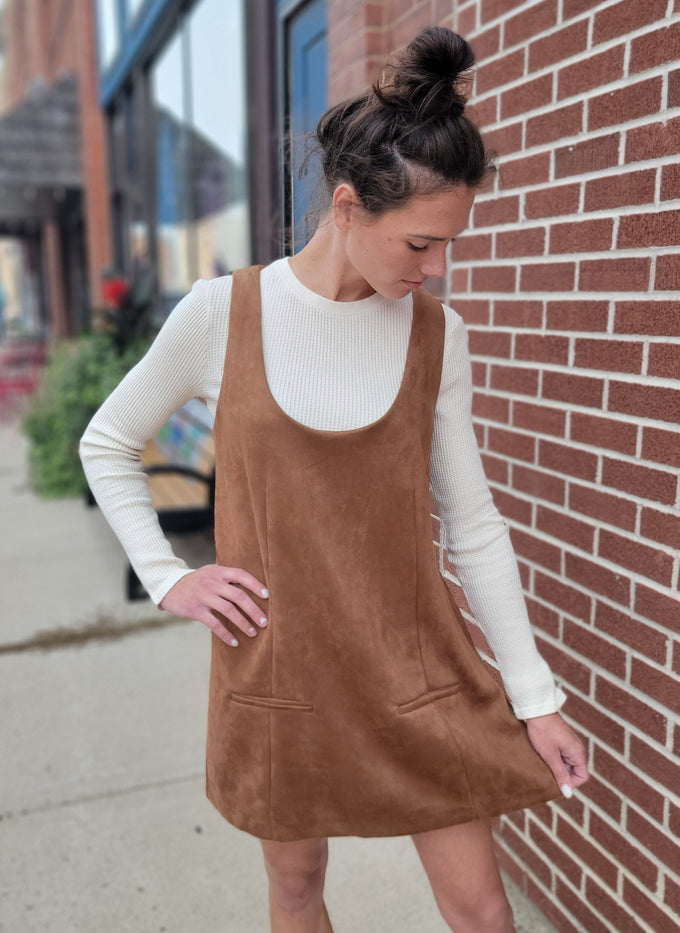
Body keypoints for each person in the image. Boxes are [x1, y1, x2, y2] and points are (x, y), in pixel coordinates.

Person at [81, 26, 588, 933]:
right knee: (297, 891)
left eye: (450, 248)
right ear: (348, 207)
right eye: (421, 245)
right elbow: (108, 442)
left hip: (419, 671)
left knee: (482, 911)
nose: (436, 272)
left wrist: (535, 695)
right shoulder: (221, 315)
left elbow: (472, 523)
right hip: (281, 671)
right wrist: (170, 576)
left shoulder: (438, 337)